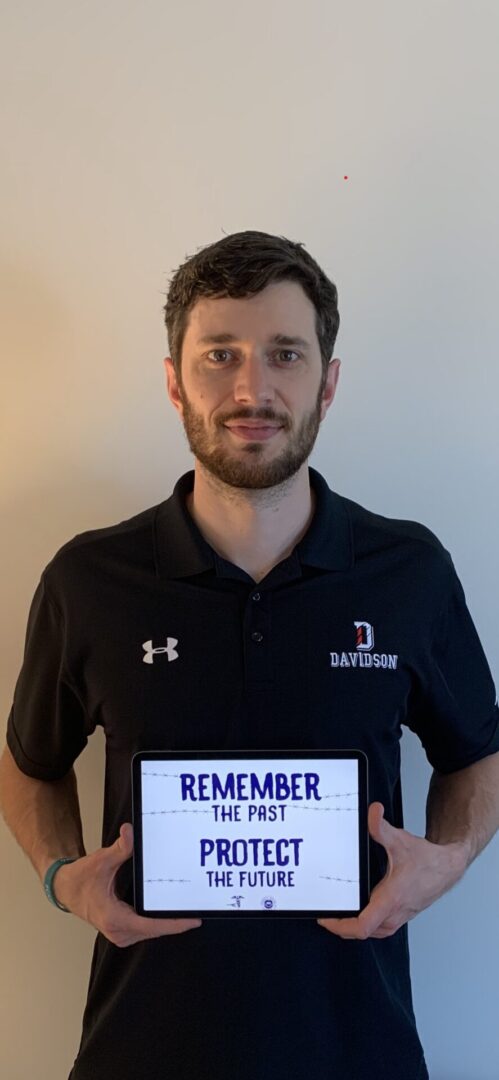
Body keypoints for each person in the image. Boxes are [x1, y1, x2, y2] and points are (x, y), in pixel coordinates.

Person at [1, 229, 499, 1080]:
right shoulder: (90, 578)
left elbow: (477, 754)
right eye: (218, 355)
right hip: (139, 1053)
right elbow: (29, 762)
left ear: (328, 381)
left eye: (285, 354)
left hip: (360, 1054)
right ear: (172, 380)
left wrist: (444, 866)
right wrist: (61, 879)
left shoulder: (408, 572)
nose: (251, 388)